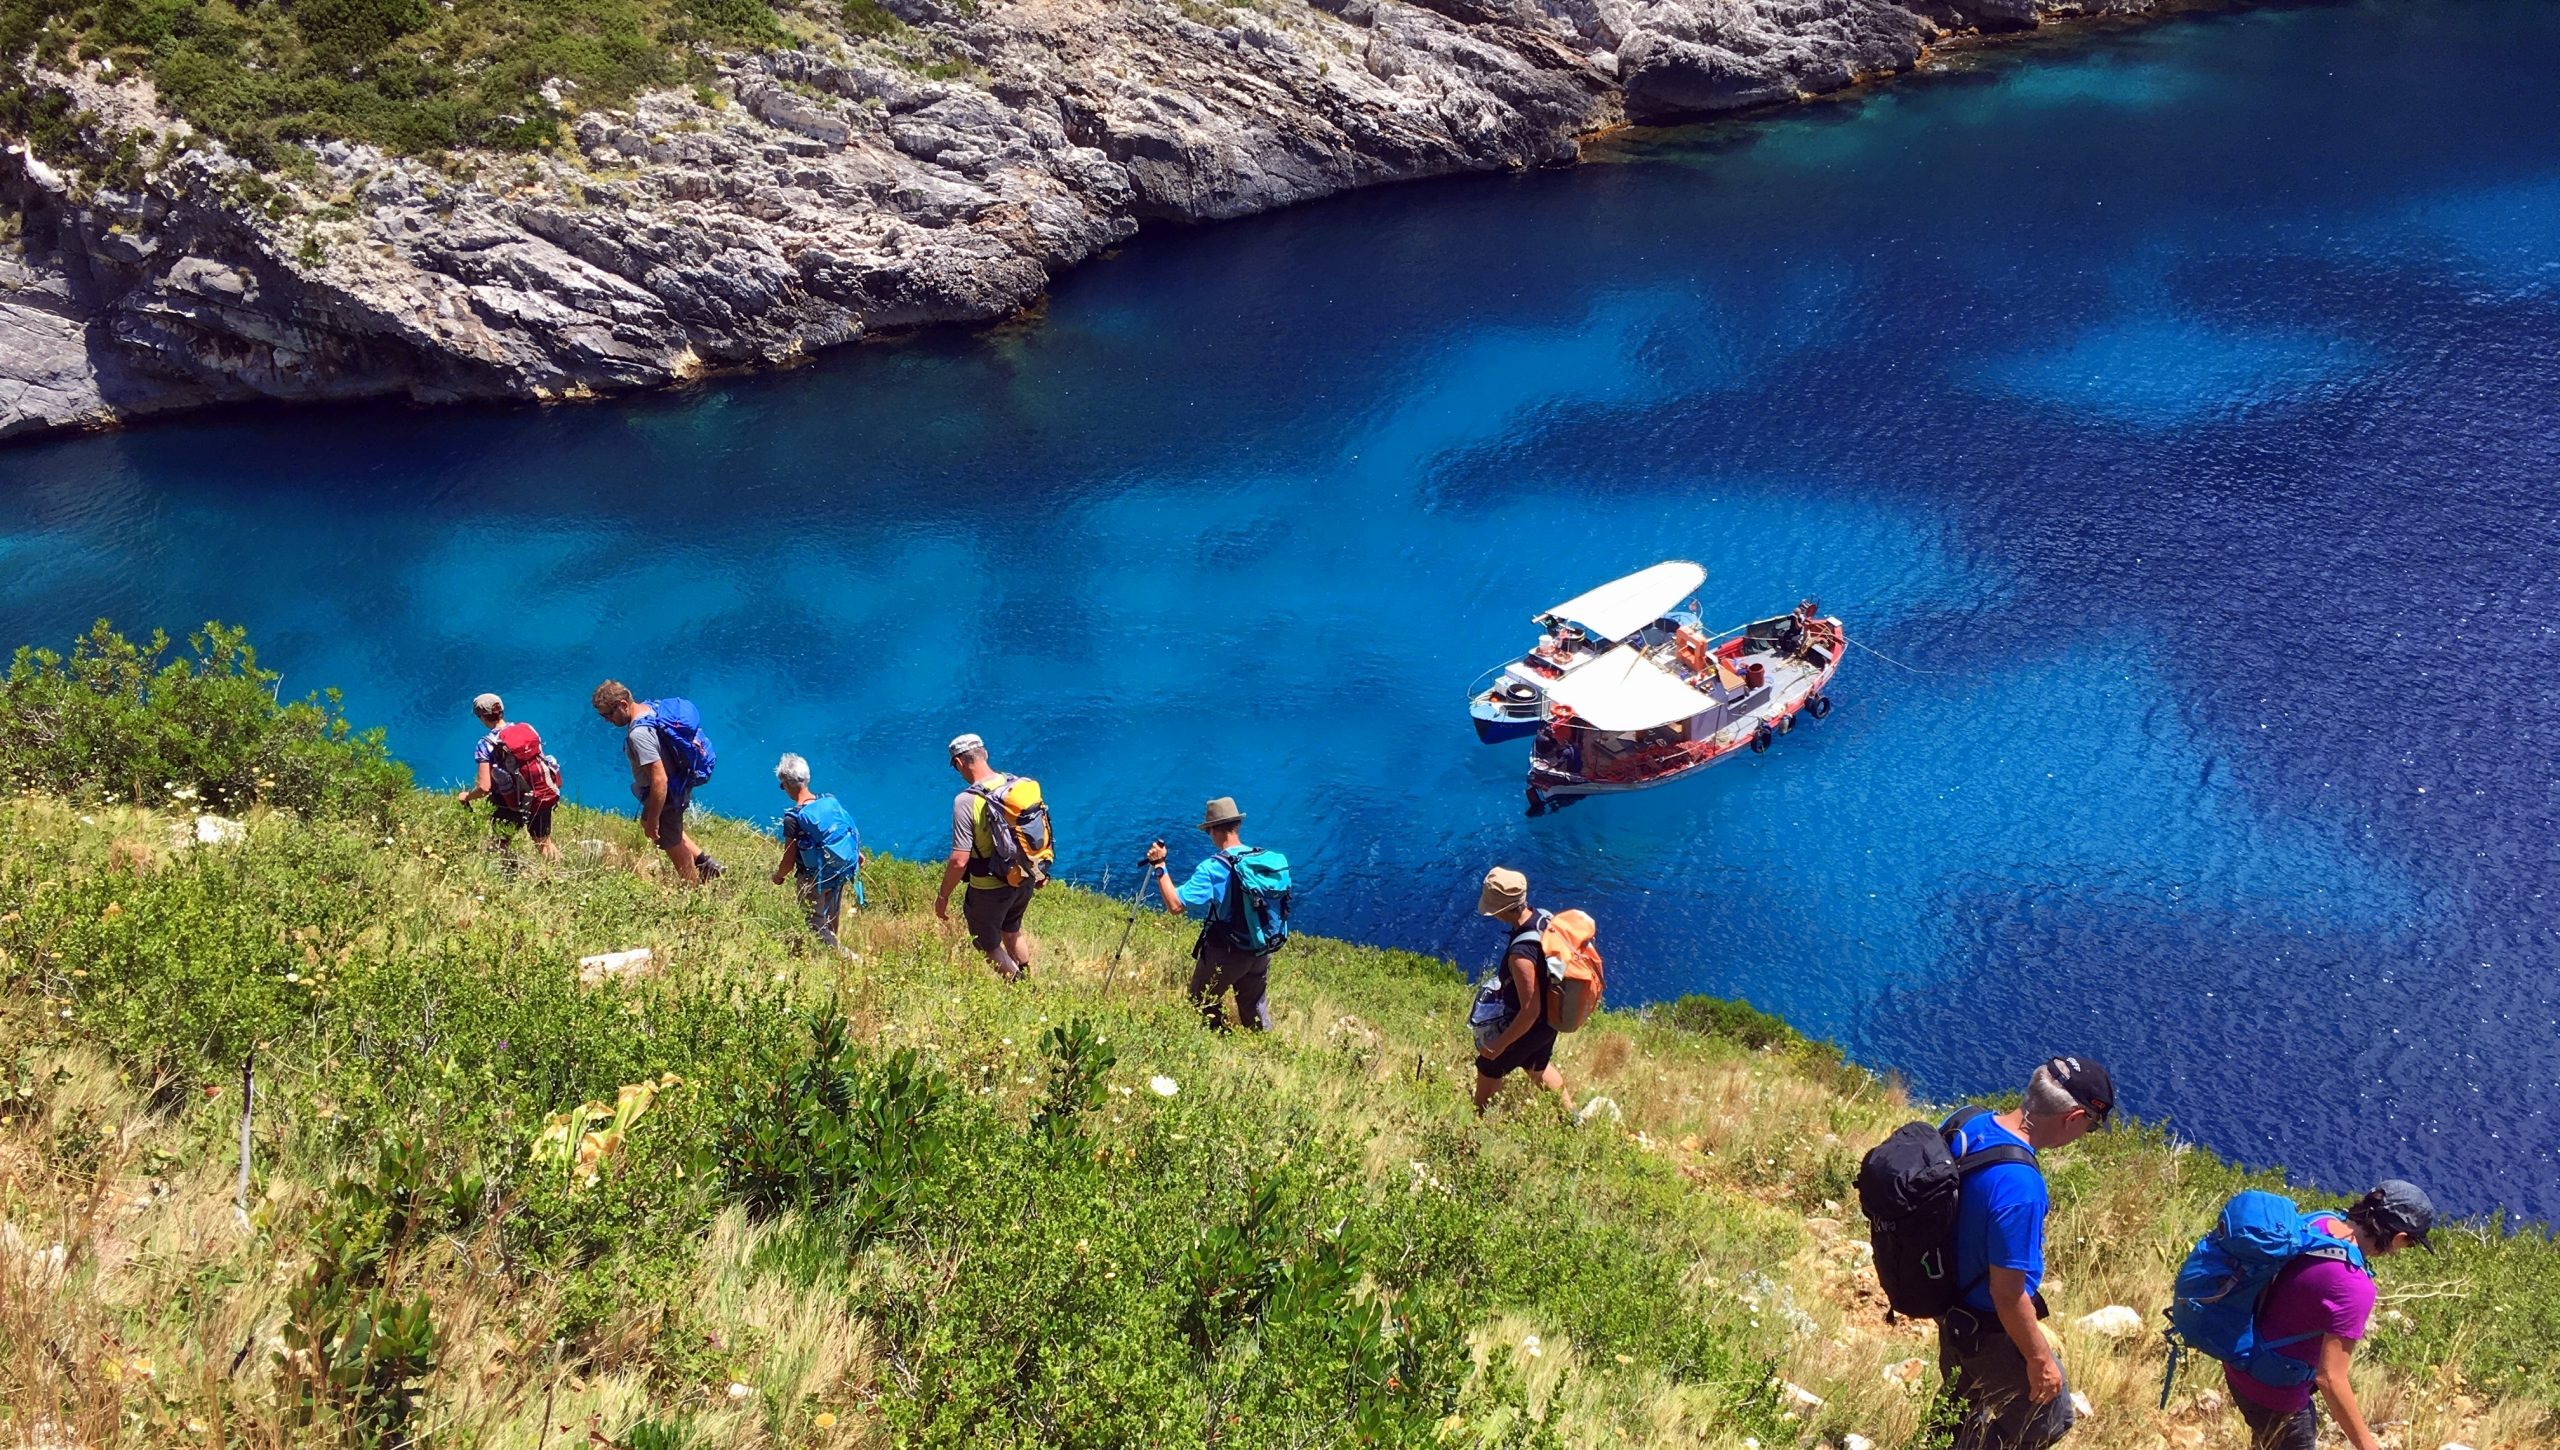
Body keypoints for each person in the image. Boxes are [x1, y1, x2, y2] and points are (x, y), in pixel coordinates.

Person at [1938, 1056, 2114, 1450]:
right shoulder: (2021, 1187)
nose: (2084, 1134)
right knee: (2050, 1420)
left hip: (1946, 1303)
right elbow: (2007, 1294)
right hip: (1987, 1328)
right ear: (2073, 1118)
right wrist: (2039, 1360)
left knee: (1959, 1403)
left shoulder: (1966, 1121)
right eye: (2089, 1126)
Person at [2224, 1180, 2433, 1450]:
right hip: (2274, 1393)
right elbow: (2331, 1378)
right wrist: (2367, 1445)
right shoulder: (2354, 1285)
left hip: (2240, 1360)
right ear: (2400, 1237)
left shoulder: (2319, 1221)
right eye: (2410, 1244)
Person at [1144, 797, 1273, 1032]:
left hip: (1228, 951)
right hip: (1262, 946)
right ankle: (1264, 1047)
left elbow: (1175, 905)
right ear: (1237, 825)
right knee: (1254, 1008)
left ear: (1213, 830)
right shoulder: (1261, 859)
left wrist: (1160, 865)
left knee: (1200, 1000)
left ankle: (1219, 1041)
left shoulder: (1213, 868)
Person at [591, 681, 722, 884]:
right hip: (679, 782)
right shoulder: (650, 708)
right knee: (662, 827)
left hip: (667, 794)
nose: (607, 720)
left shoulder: (638, 735)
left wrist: (654, 819)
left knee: (671, 841)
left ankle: (692, 888)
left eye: (608, 714)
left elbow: (659, 779)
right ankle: (706, 864)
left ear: (623, 705)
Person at [1471, 866, 1573, 1115]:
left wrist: (1498, 1046)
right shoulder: (1543, 918)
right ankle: (1572, 1118)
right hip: (1551, 1018)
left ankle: (1479, 1122)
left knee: (1488, 1066)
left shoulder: (1521, 955)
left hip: (1532, 1025)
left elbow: (1529, 1011)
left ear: (1503, 909)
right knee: (1536, 1066)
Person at [933, 733, 1034, 981]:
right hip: (1024, 877)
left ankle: (1023, 991)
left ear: (959, 763)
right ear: (985, 754)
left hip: (989, 888)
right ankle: (1028, 978)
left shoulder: (966, 801)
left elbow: (959, 860)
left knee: (986, 944)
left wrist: (943, 896)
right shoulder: (1015, 784)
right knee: (1011, 929)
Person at [769, 753, 861, 950]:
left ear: (787, 784)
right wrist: (857, 855)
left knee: (815, 925)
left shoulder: (793, 818)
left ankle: (848, 959)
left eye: (782, 785)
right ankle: (830, 959)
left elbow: (788, 860)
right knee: (830, 921)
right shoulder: (829, 801)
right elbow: (846, 829)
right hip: (838, 871)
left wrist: (778, 877)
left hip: (813, 879)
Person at [453, 692, 560, 859]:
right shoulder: (526, 730)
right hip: (539, 795)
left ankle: (506, 870)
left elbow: (484, 787)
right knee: (544, 843)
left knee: (500, 844)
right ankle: (558, 871)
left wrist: (466, 796)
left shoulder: (486, 744)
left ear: (481, 717)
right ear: (502, 711)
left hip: (508, 802)